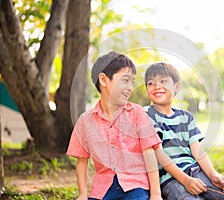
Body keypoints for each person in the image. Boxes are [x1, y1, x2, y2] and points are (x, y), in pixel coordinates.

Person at [144, 62, 224, 200]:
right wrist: (186, 180)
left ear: (176, 87)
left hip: (196, 171)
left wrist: (213, 175)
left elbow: (197, 151)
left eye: (163, 81)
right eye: (151, 83)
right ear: (146, 90)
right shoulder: (146, 114)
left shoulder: (186, 117)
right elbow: (158, 153)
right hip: (171, 179)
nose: (156, 86)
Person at [67, 51, 163, 200]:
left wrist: (156, 194)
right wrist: (82, 194)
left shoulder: (137, 113)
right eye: (125, 80)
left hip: (135, 185)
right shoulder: (85, 121)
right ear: (104, 80)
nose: (130, 87)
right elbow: (82, 160)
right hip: (103, 188)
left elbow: (149, 153)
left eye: (132, 82)